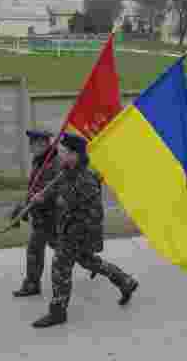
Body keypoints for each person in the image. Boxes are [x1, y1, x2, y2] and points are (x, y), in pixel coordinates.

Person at [29, 133, 138, 328]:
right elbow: (55, 190)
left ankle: (58, 312)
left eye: (67, 153)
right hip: (69, 230)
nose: (62, 156)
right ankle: (125, 281)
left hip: (78, 232)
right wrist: (41, 197)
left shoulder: (85, 179)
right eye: (62, 152)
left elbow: (94, 213)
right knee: (89, 262)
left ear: (77, 155)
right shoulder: (66, 173)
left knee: (60, 266)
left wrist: (76, 234)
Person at [12, 129, 60, 297]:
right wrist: (24, 207)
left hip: (52, 216)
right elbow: (34, 187)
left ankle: (118, 276)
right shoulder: (38, 161)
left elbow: (58, 188)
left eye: (34, 144)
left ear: (45, 144)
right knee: (35, 249)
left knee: (70, 252)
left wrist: (42, 197)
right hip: (41, 216)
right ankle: (32, 284)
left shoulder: (56, 162)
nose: (31, 147)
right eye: (31, 144)